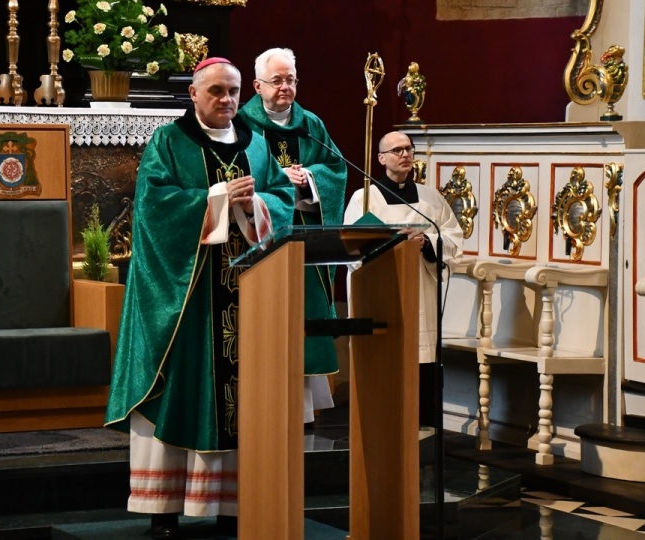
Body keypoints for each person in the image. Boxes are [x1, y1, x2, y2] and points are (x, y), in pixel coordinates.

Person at [105, 57, 294, 539]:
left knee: (245, 396)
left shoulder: (256, 145)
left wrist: (258, 206)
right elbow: (151, 207)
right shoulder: (169, 142)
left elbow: (282, 199)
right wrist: (216, 199)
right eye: (216, 92)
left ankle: (234, 504)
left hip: (248, 297)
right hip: (187, 302)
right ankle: (163, 508)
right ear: (193, 94)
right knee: (180, 390)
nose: (227, 101)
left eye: (233, 92)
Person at [239, 47, 347, 423]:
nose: (285, 87)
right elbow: (234, 170)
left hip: (304, 237)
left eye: (291, 80)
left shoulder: (310, 124)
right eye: (277, 80)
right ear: (257, 85)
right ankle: (260, 406)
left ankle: (300, 412)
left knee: (306, 314)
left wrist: (311, 179)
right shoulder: (242, 123)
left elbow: (336, 168)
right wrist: (278, 179)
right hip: (262, 237)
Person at [343, 130, 462, 424]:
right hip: (384, 290)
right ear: (381, 158)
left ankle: (424, 430)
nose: (406, 154)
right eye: (397, 150)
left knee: (421, 368)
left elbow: (453, 238)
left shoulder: (430, 197)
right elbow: (352, 246)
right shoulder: (365, 198)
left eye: (409, 149)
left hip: (419, 290)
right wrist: (391, 242)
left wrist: (426, 242)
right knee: (386, 366)